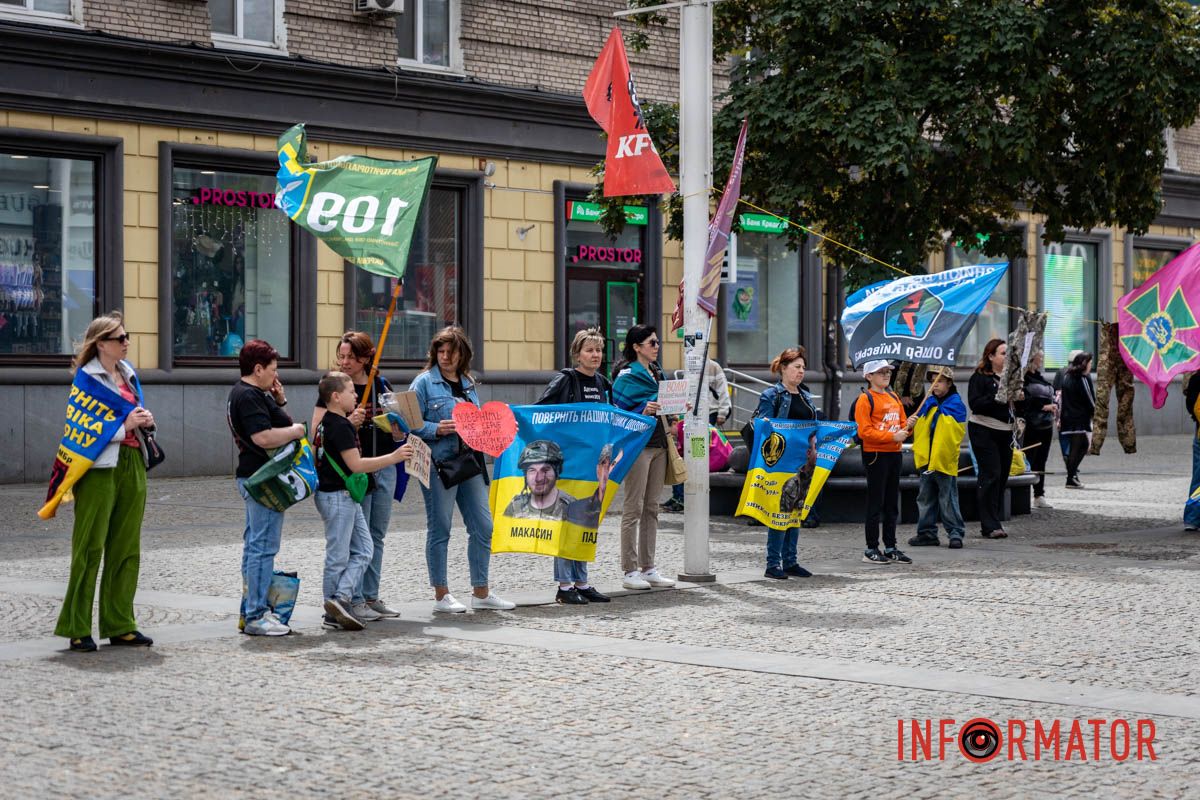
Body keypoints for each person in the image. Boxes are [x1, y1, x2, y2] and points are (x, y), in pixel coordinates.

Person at [55, 312, 156, 652]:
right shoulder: (86, 379)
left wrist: (145, 421)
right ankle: (77, 626)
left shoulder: (128, 374)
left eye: (127, 337)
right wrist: (125, 426)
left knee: (126, 547)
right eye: (120, 338)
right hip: (97, 468)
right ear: (101, 344)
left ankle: (120, 623)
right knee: (89, 547)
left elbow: (130, 418)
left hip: (131, 462)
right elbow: (80, 430)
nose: (126, 342)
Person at [410, 326, 515, 613]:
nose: (445, 357)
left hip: (470, 462)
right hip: (439, 465)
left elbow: (476, 423)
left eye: (451, 352)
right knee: (440, 528)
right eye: (440, 352)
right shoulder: (423, 383)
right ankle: (441, 594)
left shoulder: (468, 382)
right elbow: (408, 423)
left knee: (484, 526)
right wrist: (435, 428)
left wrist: (498, 428)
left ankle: (481, 592)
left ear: (462, 355)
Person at [310, 331, 402, 622]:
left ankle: (370, 596)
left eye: (351, 356)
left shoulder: (380, 385)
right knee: (348, 544)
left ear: (365, 358)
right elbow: (318, 433)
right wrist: (349, 423)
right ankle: (352, 599)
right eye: (342, 356)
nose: (345, 361)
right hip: (354, 474)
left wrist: (396, 429)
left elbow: (398, 425)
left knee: (375, 536)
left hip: (381, 465)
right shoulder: (333, 388)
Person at [227, 339, 307, 636]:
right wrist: (297, 430)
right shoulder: (248, 396)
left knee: (255, 546)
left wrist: (280, 401)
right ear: (258, 369)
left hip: (256, 477)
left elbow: (277, 423)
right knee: (263, 548)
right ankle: (256, 615)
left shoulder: (253, 393)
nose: (276, 375)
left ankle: (250, 609)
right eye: (273, 369)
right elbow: (263, 437)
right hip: (262, 480)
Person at [534, 327, 615, 605]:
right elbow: (540, 411)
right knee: (567, 523)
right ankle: (565, 585)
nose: (595, 355)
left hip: (593, 468)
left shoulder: (604, 383)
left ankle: (582, 582)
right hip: (568, 464)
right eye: (589, 350)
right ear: (577, 354)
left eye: (599, 350)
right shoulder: (565, 380)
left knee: (585, 522)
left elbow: (611, 419)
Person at [612, 324, 676, 590]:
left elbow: (663, 403)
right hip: (638, 446)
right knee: (633, 507)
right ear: (636, 347)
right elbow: (617, 411)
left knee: (652, 507)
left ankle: (648, 567)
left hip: (660, 443)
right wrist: (642, 409)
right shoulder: (627, 375)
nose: (657, 346)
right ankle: (630, 570)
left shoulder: (657, 372)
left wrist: (675, 409)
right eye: (652, 343)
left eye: (658, 342)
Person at [753, 346, 820, 579]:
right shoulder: (772, 395)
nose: (801, 371)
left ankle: (790, 561)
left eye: (803, 368)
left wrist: (814, 446)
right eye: (796, 367)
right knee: (779, 511)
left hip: (802, 463)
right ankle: (773, 564)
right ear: (783, 368)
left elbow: (813, 427)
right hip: (780, 463)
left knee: (795, 511)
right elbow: (763, 427)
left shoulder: (806, 395)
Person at [855, 360, 912, 565]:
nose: (886, 375)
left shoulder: (894, 396)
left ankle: (890, 546)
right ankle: (871, 548)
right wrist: (892, 437)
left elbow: (902, 424)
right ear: (869, 376)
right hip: (876, 454)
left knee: (891, 502)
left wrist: (908, 427)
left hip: (894, 453)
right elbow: (864, 432)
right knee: (876, 502)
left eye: (888, 371)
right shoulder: (865, 399)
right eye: (881, 372)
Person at [907, 366, 968, 549]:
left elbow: (954, 430)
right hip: (927, 459)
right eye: (932, 381)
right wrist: (913, 421)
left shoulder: (955, 404)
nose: (934, 385)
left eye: (939, 381)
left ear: (949, 383)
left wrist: (938, 413)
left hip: (943, 459)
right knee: (925, 498)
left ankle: (955, 533)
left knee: (948, 499)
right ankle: (926, 533)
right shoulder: (929, 402)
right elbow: (919, 426)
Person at [663, 358, 730, 513]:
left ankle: (683, 498)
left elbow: (723, 390)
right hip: (697, 420)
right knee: (681, 461)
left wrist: (723, 412)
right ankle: (679, 497)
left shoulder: (713, 367)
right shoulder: (690, 363)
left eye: (669, 429)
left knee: (686, 463)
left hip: (710, 418)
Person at [967, 338, 1014, 539]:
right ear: (991, 356)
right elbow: (975, 404)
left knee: (1002, 476)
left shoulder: (1012, 377)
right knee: (991, 474)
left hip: (1006, 430)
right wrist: (998, 397)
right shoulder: (980, 378)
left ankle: (994, 518)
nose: (1007, 356)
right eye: (1003, 353)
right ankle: (989, 524)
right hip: (984, 428)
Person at [1022, 352, 1057, 508]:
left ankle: (1039, 494)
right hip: (1031, 424)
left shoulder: (1039, 377)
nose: (1042, 359)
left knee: (1041, 459)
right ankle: (1023, 493)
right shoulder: (1023, 378)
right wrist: (1043, 406)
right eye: (1039, 356)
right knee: (1028, 458)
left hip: (1045, 424)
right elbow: (1023, 400)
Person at [1059, 351, 1096, 489]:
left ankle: (1072, 475)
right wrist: (1096, 414)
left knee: (1080, 446)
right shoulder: (1082, 378)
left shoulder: (1067, 376)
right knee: (1080, 447)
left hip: (1068, 416)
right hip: (1079, 418)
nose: (1091, 366)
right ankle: (1071, 477)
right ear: (1084, 364)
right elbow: (1089, 399)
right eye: (1090, 363)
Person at [1184, 371, 1200, 531]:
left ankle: (1192, 519)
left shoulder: (1196, 377)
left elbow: (1190, 405)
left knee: (1198, 476)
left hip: (1199, 432)